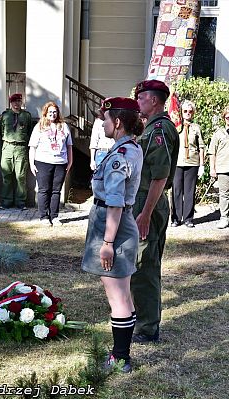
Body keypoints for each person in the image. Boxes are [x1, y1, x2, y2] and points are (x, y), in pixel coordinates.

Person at [82, 97, 144, 373]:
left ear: (117, 122)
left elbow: (115, 202)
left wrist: (107, 242)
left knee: (117, 297)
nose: (103, 123)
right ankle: (121, 354)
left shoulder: (120, 156)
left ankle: (121, 358)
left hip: (113, 227)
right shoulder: (129, 148)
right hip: (117, 223)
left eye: (105, 119)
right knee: (123, 295)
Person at [130, 80, 179, 344]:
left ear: (155, 101)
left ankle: (147, 327)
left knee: (144, 265)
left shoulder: (159, 130)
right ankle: (143, 317)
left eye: (141, 98)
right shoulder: (150, 127)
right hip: (145, 199)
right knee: (141, 263)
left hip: (150, 200)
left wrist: (146, 213)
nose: (138, 103)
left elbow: (159, 177)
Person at [28, 101, 73, 226]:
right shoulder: (39, 127)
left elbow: (69, 146)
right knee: (44, 190)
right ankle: (43, 217)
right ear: (45, 114)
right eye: (50, 112)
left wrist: (70, 162)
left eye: (55, 112)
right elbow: (32, 146)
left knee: (56, 190)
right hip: (43, 162)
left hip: (60, 162)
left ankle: (54, 216)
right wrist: (32, 163)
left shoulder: (64, 126)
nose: (53, 114)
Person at [170, 100, 205, 228]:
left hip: (192, 162)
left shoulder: (196, 128)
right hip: (178, 162)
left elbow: (201, 146)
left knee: (190, 191)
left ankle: (188, 218)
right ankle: (176, 218)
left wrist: (202, 165)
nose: (188, 113)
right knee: (176, 191)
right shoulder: (176, 126)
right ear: (181, 112)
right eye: (185, 111)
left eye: (190, 111)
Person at [0, 93, 32, 209]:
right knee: (6, 175)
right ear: (10, 102)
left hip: (21, 148)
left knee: (21, 176)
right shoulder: (5, 115)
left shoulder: (26, 116)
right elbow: (2, 131)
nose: (16, 103)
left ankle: (20, 202)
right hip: (7, 147)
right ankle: (6, 201)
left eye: (18, 101)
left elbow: (29, 131)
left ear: (21, 102)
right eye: (14, 101)